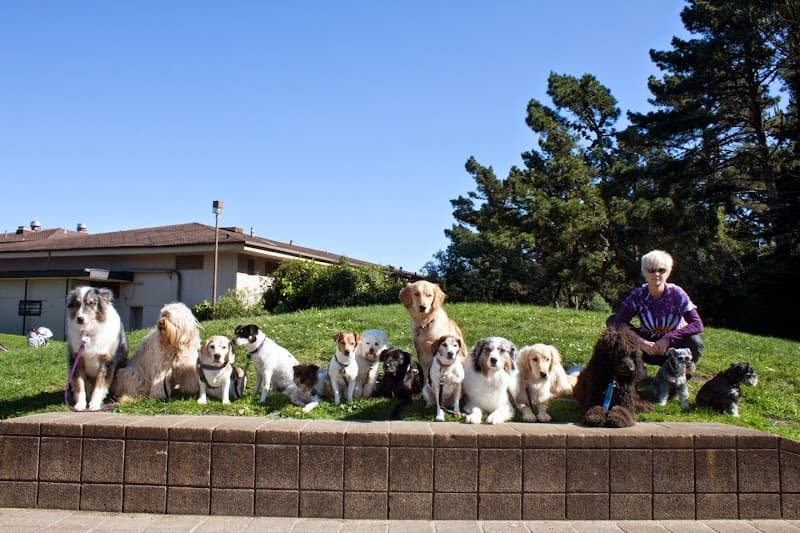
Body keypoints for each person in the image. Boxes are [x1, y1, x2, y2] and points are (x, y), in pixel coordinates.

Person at [608, 250, 704, 367]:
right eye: (651, 270)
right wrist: (641, 342)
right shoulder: (638, 295)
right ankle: (634, 367)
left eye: (661, 270)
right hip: (646, 348)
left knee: (695, 341)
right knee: (612, 322)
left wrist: (668, 339)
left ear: (668, 272)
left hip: (673, 348)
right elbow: (619, 322)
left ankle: (681, 371)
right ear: (644, 272)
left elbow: (697, 324)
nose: (656, 274)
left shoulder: (677, 294)